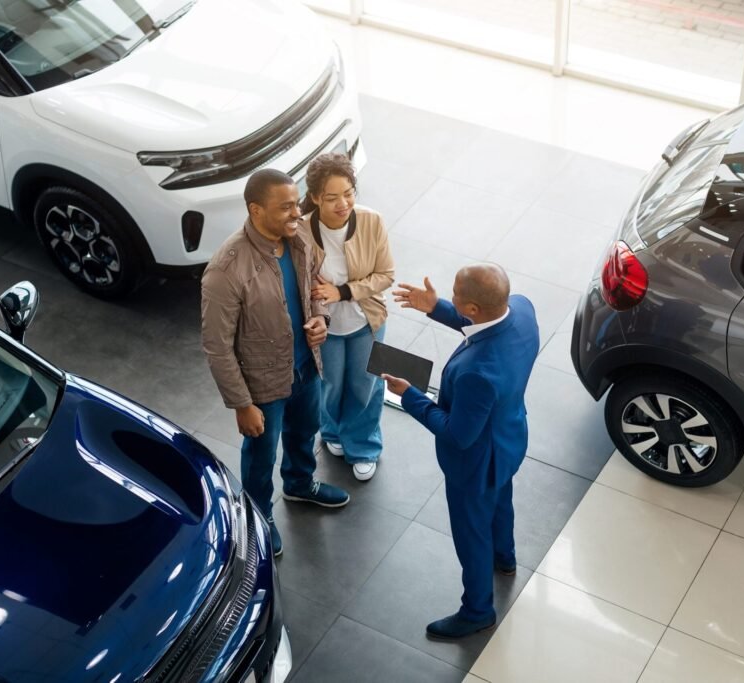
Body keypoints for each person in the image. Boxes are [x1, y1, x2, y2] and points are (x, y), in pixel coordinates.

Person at [201, 169, 351, 559]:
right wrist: (242, 404)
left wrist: (322, 318)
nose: (296, 214)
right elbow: (216, 346)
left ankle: (300, 484)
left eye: (296, 204)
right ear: (255, 210)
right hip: (261, 386)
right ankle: (257, 517)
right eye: (285, 207)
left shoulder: (297, 236)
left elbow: (313, 283)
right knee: (261, 456)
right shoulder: (225, 270)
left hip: (305, 368)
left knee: (306, 433)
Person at [384, 264, 539, 639]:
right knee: (502, 501)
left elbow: (457, 435)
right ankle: (505, 558)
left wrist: (411, 396)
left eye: (454, 296)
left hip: (475, 464)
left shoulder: (476, 373)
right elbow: (485, 326)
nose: (449, 297)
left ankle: (477, 611)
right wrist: (435, 306)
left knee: (471, 535)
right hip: (510, 439)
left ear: (471, 306)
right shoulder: (522, 310)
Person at [299, 152, 395, 481]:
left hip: (366, 320)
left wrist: (341, 292)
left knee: (364, 384)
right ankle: (332, 431)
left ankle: (364, 445)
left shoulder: (371, 221)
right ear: (314, 198)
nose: (343, 203)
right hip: (326, 327)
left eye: (349, 193)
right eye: (332, 197)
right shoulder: (300, 233)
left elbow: (385, 274)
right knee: (330, 384)